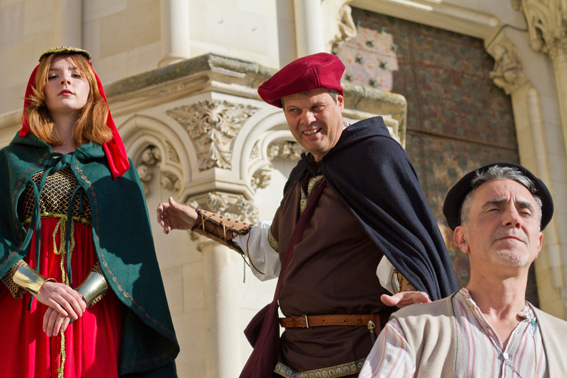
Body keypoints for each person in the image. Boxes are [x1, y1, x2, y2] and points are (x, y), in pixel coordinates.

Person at [157, 53, 457, 377]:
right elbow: (271, 249)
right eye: (294, 111)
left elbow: (402, 246)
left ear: (339, 102)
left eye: (317, 107)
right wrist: (197, 220)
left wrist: (413, 293)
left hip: (357, 357)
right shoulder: (302, 176)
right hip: (293, 357)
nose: (307, 119)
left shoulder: (374, 157)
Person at [0, 47, 179, 378]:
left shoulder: (114, 168)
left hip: (91, 308)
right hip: (26, 304)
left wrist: (79, 298)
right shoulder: (11, 160)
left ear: (91, 88)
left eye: (75, 74)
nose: (64, 80)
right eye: (53, 76)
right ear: (39, 90)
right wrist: (41, 287)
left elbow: (128, 250)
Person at [359, 162, 567, 377]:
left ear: (538, 244)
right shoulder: (412, 330)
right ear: (461, 238)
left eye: (525, 212)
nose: (513, 219)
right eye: (494, 208)